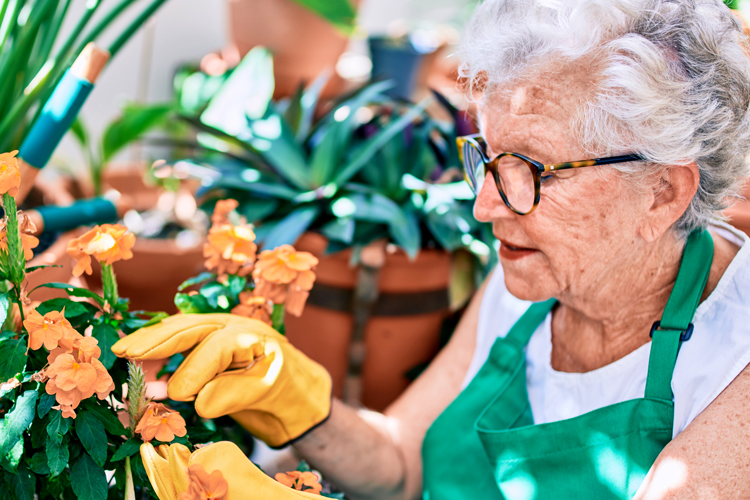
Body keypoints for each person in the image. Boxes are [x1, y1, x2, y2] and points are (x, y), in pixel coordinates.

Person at [113, 0, 750, 498]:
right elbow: (401, 465)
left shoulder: (734, 361)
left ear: (663, 193)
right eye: (488, 159)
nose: (485, 207)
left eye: (529, 168)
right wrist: (301, 405)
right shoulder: (531, 280)